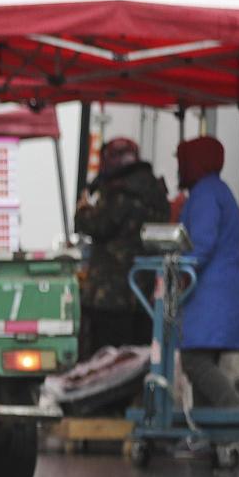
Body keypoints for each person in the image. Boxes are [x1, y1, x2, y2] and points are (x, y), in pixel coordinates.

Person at [72, 136, 169, 354]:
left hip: (110, 295)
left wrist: (83, 209)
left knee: (105, 360)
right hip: (145, 292)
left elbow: (97, 225)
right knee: (139, 356)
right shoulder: (155, 191)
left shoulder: (120, 193)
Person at [173, 134, 239, 412]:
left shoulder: (205, 194)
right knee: (204, 365)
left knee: (195, 362)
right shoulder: (218, 190)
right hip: (218, 298)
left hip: (209, 299)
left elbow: (201, 244)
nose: (179, 169)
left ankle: (238, 417)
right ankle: (211, 436)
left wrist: (176, 265)